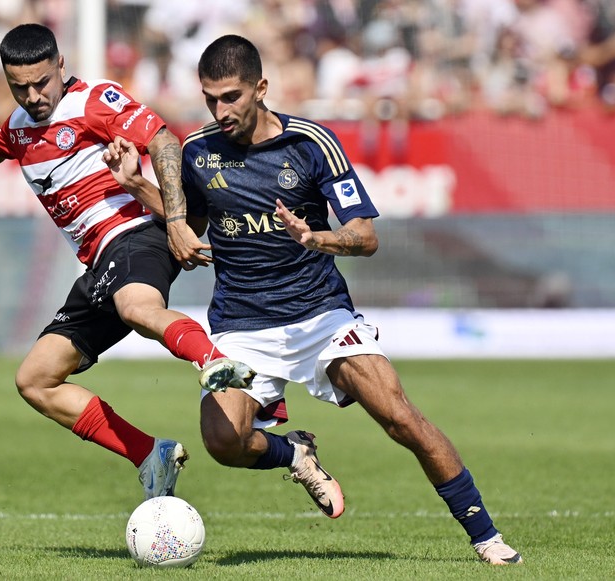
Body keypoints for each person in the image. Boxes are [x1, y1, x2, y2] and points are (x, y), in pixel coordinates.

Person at [105, 34, 523, 566]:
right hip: (241, 323)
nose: (220, 110)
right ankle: (295, 453)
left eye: (231, 96)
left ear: (261, 88)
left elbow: (365, 237)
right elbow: (192, 219)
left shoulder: (311, 143)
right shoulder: (198, 151)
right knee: (223, 443)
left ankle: (487, 538)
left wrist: (316, 237)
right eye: (210, 99)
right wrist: (138, 185)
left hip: (320, 315)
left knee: (400, 418)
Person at [0, 23, 255, 502]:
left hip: (135, 236)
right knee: (35, 380)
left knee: (137, 308)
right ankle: (150, 454)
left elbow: (164, 141)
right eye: (20, 87)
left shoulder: (94, 101)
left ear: (60, 65)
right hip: (100, 265)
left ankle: (214, 360)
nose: (33, 96)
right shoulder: (19, 127)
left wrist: (176, 220)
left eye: (41, 83)